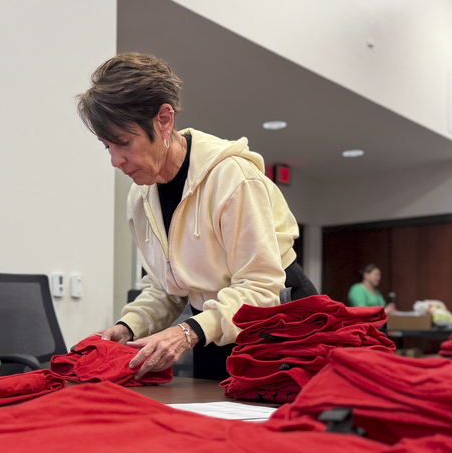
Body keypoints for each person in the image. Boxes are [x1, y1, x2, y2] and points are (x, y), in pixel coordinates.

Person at [77, 52, 316, 381]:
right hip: (211, 327)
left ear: (164, 120)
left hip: (278, 321)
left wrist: (187, 332)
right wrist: (128, 326)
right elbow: (168, 286)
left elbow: (261, 288)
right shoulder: (140, 196)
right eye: (107, 147)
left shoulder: (231, 178)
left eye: (124, 143)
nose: (116, 160)